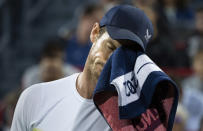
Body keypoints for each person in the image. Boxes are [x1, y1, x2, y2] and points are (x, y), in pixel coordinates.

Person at [11, 5, 159, 131]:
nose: (114, 61)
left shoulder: (133, 120)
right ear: (94, 33)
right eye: (110, 47)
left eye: (126, 57)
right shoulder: (33, 98)